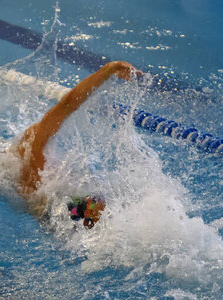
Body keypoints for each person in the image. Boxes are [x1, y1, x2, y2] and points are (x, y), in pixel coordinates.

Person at [12, 61, 142, 228]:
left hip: (50, 215)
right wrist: (109, 69)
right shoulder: (36, 143)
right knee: (103, 203)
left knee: (102, 206)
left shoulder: (19, 166)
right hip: (58, 211)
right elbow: (69, 103)